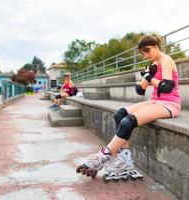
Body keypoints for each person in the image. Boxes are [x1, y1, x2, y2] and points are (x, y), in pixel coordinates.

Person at [76, 35, 181, 181]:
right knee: (120, 114)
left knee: (127, 122)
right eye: (143, 53)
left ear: (156, 46)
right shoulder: (154, 63)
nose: (145, 56)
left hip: (169, 104)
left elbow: (167, 88)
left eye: (146, 51)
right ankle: (124, 160)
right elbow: (140, 91)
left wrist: (150, 77)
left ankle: (101, 158)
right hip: (154, 101)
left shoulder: (166, 60)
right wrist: (146, 76)